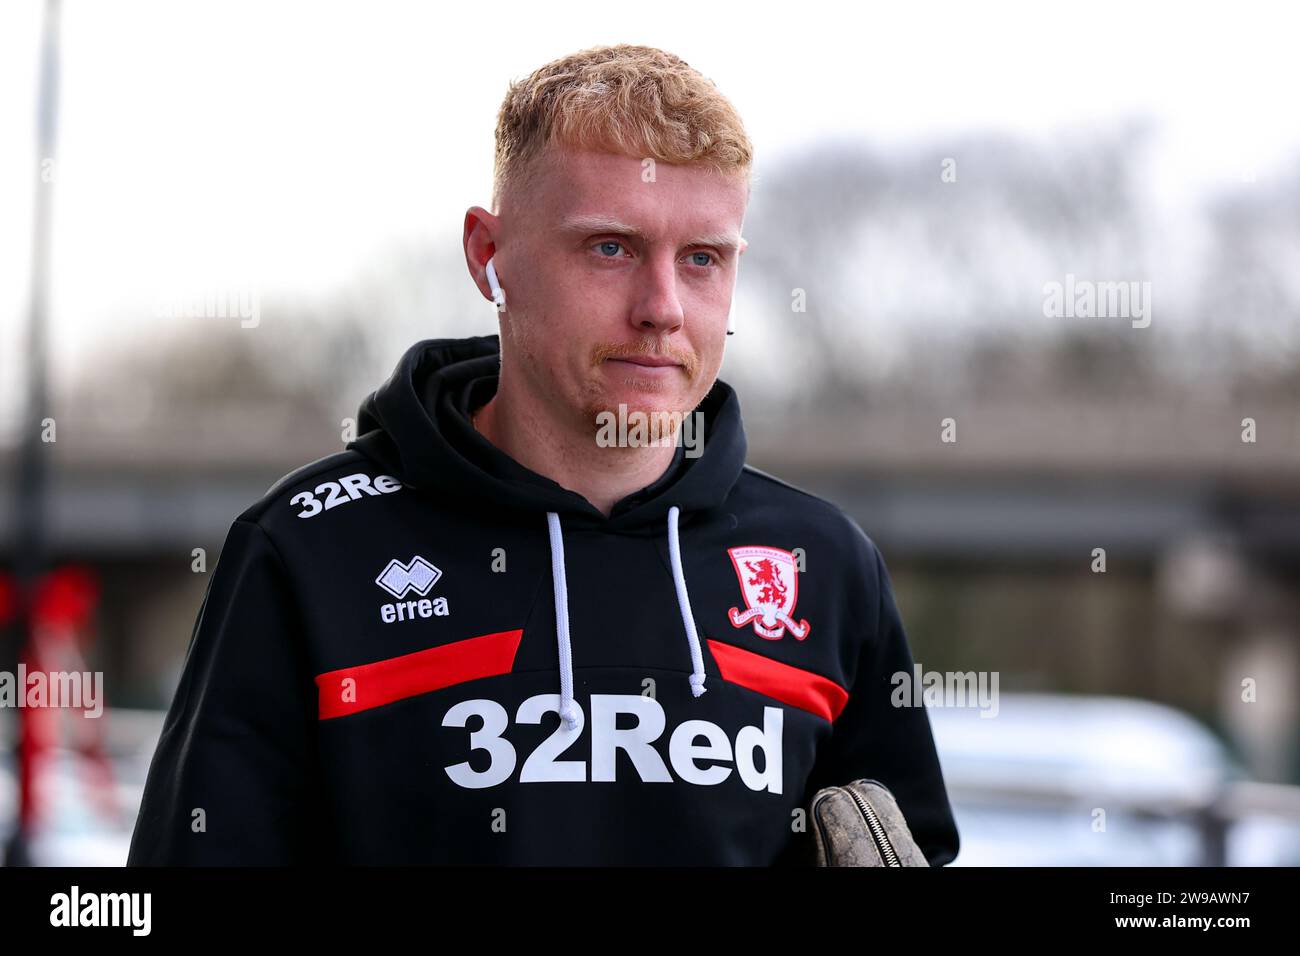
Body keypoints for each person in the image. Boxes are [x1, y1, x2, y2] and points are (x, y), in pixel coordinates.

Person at [127, 43, 959, 866]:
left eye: (703, 258)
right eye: (611, 248)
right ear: (490, 256)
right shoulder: (307, 554)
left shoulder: (825, 564)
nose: (663, 308)